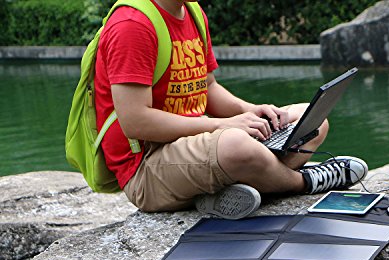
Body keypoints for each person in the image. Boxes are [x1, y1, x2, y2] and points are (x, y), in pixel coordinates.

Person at [94, 0, 368, 219]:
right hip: (147, 169)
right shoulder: (132, 24)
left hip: (194, 145)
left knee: (309, 117)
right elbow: (136, 121)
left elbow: (208, 87)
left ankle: (234, 188)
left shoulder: (192, 12)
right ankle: (304, 181)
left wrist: (253, 111)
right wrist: (222, 125)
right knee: (236, 144)